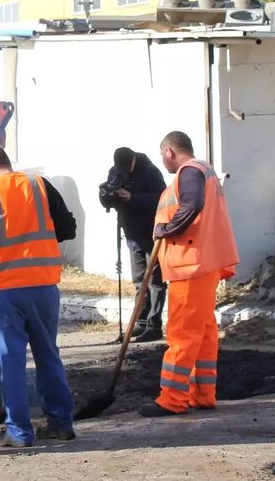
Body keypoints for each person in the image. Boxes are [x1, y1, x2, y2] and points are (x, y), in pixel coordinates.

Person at [0, 145, 77, 447]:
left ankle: (19, 432)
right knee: (48, 355)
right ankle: (61, 424)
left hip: (5, 291)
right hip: (44, 287)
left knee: (11, 361)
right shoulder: (39, 185)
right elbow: (67, 228)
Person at [140, 131, 240, 418]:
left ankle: (172, 398)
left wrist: (167, 229)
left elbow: (192, 204)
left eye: (163, 156)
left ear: (170, 151)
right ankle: (202, 394)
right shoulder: (205, 170)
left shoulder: (190, 172)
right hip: (204, 263)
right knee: (204, 332)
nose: (164, 162)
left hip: (190, 264)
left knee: (182, 332)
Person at [99, 146, 168, 342]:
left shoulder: (150, 172)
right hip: (132, 235)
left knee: (155, 281)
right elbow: (109, 200)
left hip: (151, 233)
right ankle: (142, 323)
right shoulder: (116, 171)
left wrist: (132, 197)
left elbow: (161, 199)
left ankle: (155, 326)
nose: (123, 172)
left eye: (126, 168)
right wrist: (107, 197)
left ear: (133, 161)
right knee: (139, 281)